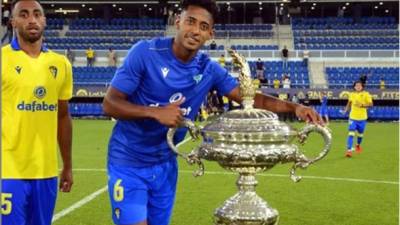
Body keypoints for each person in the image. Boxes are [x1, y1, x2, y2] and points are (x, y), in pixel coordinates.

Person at [102, 1, 322, 225]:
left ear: (210, 34)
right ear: (177, 22)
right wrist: (154, 113)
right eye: (190, 22)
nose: (195, 30)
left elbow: (251, 98)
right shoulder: (145, 52)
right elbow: (110, 104)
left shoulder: (209, 69)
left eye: (203, 26)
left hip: (166, 163)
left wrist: (295, 107)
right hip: (128, 160)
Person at [2, 1, 73, 225]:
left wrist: (68, 165)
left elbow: (63, 116)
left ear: (44, 20)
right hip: (8, 170)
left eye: (36, 14)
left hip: (46, 172)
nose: (31, 19)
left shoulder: (60, 64)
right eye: (23, 15)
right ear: (13, 22)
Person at [342, 80, 373, 158]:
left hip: (362, 119)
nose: (358, 87)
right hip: (352, 118)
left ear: (362, 87)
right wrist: (345, 110)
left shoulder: (366, 94)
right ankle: (348, 151)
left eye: (359, 85)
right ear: (354, 87)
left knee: (360, 135)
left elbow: (371, 104)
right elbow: (349, 103)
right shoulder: (351, 94)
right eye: (356, 85)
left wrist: (362, 105)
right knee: (351, 134)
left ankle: (358, 145)